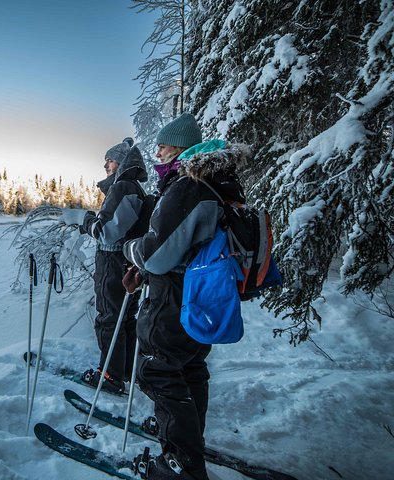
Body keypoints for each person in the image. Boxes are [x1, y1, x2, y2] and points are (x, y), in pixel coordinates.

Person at [123, 114, 251, 480]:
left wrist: (132, 251)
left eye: (163, 145)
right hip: (200, 293)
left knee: (157, 369)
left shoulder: (189, 185)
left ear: (180, 148)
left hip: (175, 298)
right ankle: (189, 444)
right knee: (189, 367)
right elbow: (186, 243)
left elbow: (157, 252)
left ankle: (180, 464)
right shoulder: (213, 183)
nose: (158, 151)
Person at [61, 137, 149, 394]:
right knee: (124, 318)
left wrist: (83, 219)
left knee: (109, 318)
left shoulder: (124, 187)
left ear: (121, 162)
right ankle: (127, 371)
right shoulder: (130, 188)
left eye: (109, 161)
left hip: (114, 262)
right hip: (127, 263)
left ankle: (110, 375)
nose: (105, 166)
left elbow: (108, 232)